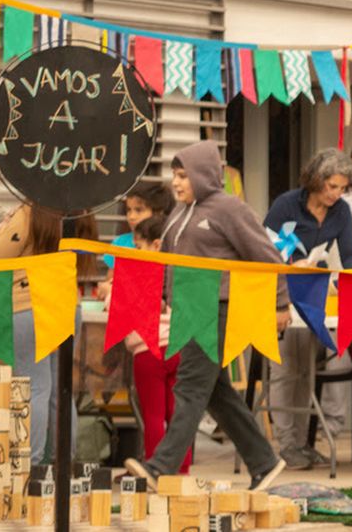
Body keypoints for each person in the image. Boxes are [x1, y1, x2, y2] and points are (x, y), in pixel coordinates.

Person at [126, 139, 289, 492]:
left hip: (217, 308)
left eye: (184, 175)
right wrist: (167, 297)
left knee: (188, 387)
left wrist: (279, 304)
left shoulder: (230, 209)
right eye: (174, 175)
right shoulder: (180, 212)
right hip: (188, 309)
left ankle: (160, 466)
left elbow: (267, 258)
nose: (177, 183)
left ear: (202, 175)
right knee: (216, 392)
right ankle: (265, 461)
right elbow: (169, 259)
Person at [263, 148, 352, 469]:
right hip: (278, 295)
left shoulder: (341, 212)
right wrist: (292, 268)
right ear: (315, 180)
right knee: (284, 372)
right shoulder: (286, 205)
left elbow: (350, 257)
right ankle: (287, 444)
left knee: (306, 369)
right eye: (331, 186)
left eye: (342, 188)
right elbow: (264, 252)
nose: (336, 194)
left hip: (313, 296)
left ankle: (303, 443)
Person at [0, 203, 96, 466]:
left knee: (35, 386)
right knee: (61, 390)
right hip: (67, 304)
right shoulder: (80, 209)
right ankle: (62, 466)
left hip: (28, 305)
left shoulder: (27, 214)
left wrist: (3, 229)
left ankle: (30, 467)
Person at [119, 213, 194, 474]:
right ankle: (182, 469)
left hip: (147, 352)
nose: (135, 252)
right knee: (178, 413)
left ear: (157, 245)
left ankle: (155, 466)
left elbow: (117, 306)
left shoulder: (136, 272)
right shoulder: (181, 271)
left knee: (153, 415)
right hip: (178, 348)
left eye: (138, 246)